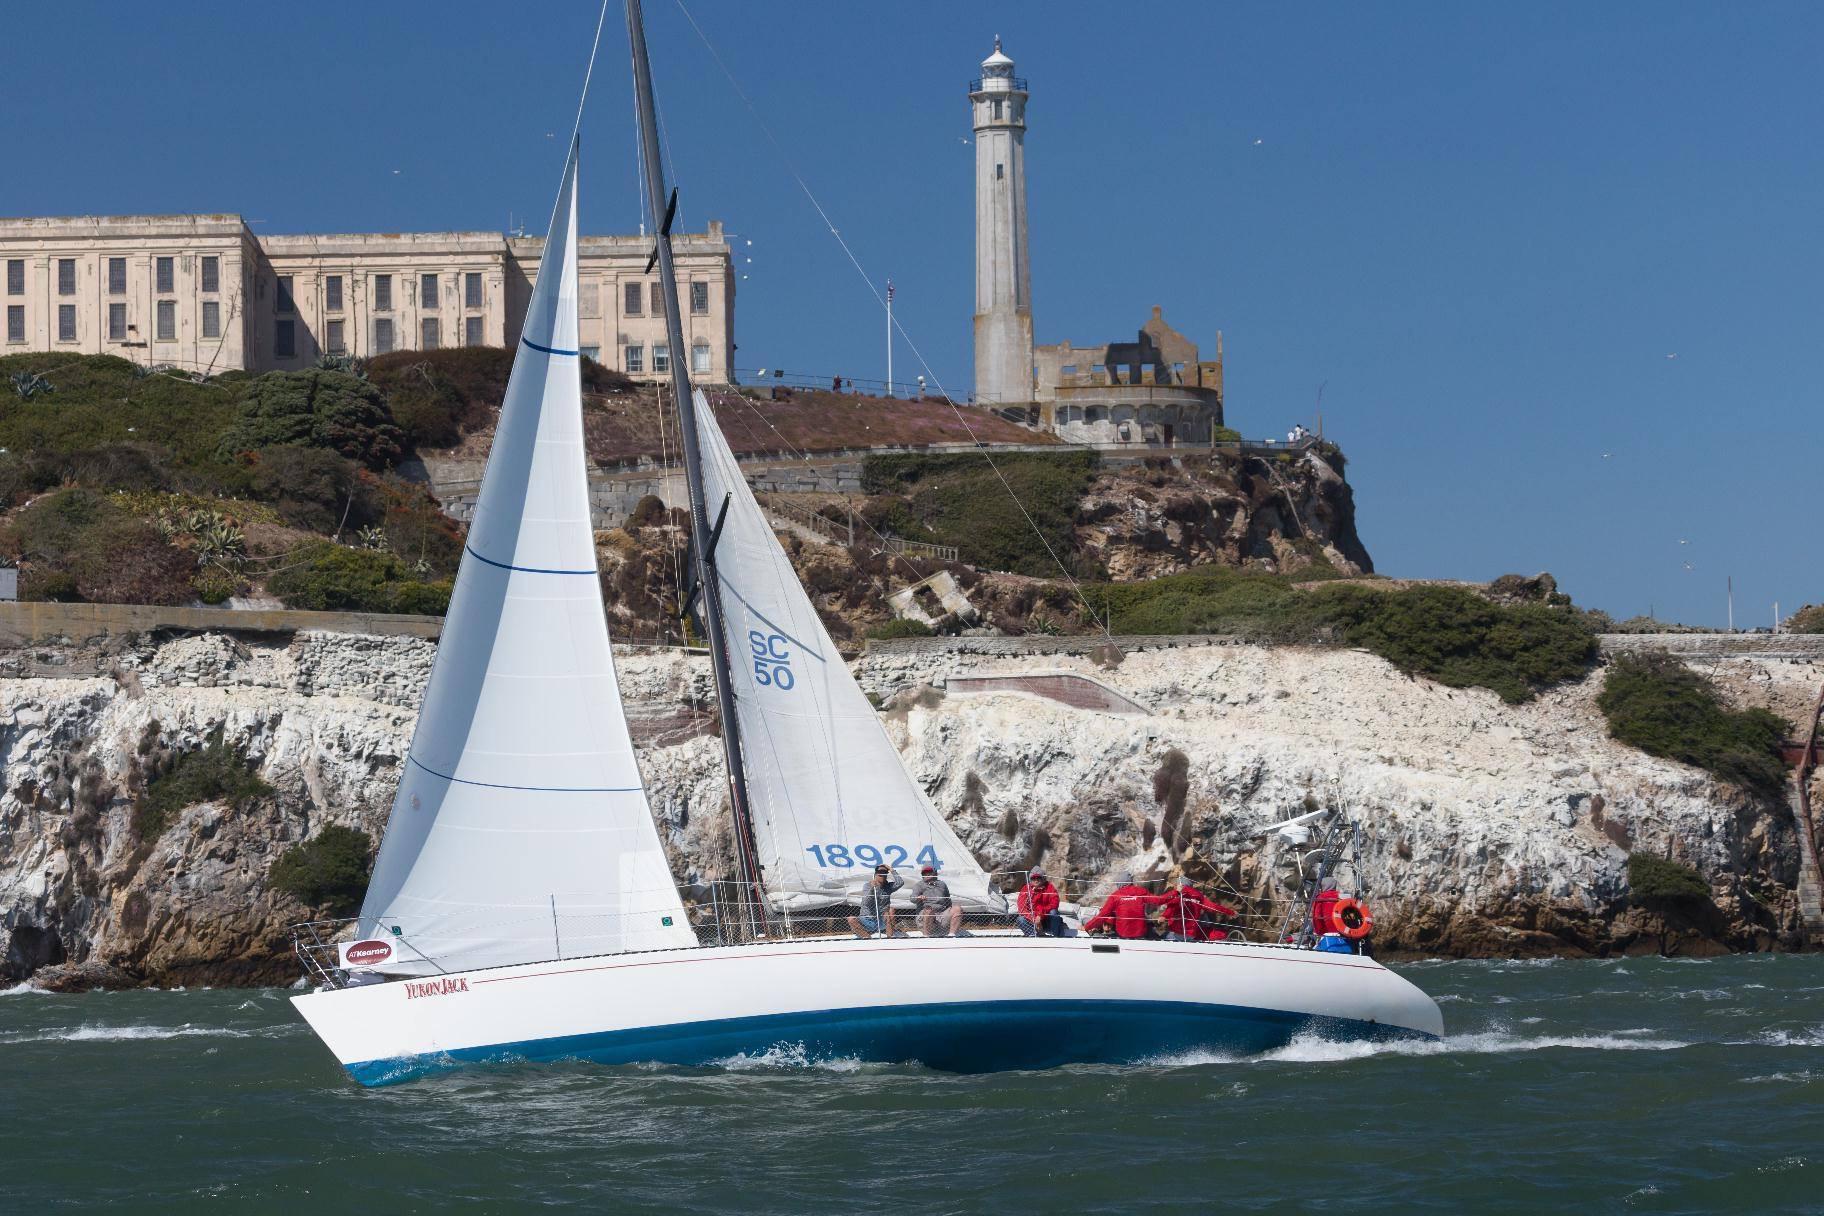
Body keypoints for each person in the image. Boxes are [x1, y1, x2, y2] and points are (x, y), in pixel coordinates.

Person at [1084, 871, 1170, 939]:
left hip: (1123, 934)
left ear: (1120, 883)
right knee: (1150, 928)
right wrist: (1175, 892)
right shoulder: (1141, 891)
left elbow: (1103, 915)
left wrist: (1087, 927)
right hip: (1140, 932)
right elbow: (1159, 900)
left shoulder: (1115, 896)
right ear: (1130, 881)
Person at [1158, 877, 1237, 941]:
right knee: (1203, 924)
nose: (1174, 887)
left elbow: (1171, 906)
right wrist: (1230, 912)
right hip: (1191, 935)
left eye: (1175, 885)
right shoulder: (1199, 896)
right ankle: (1223, 935)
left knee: (1160, 937)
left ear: (1178, 885)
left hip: (1176, 934)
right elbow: (1214, 907)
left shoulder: (1177, 893)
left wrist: (1164, 916)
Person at [909, 864, 967, 937]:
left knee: (957, 908)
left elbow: (948, 900)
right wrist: (919, 897)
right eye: (925, 873)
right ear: (922, 874)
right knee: (929, 909)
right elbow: (912, 899)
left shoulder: (942, 884)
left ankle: (951, 935)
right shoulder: (919, 885)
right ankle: (926, 936)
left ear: (935, 873)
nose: (927, 874)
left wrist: (949, 910)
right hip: (926, 915)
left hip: (942, 915)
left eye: (930, 872)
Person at [848, 864, 903, 938]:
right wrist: (872, 889)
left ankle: (890, 938)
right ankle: (867, 939)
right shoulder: (867, 885)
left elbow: (900, 882)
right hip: (867, 919)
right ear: (875, 874)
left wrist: (891, 869)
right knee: (851, 919)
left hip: (882, 919)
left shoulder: (888, 887)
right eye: (880, 873)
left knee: (891, 910)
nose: (882, 875)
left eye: (884, 873)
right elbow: (866, 902)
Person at [1016, 868, 1074, 936]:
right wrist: (1034, 919)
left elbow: (1054, 904)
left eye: (1039, 878)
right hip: (1033, 921)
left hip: (1047, 919)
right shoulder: (1026, 888)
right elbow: (1022, 908)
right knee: (1020, 919)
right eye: (1033, 878)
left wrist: (1040, 915)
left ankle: (1057, 936)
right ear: (1030, 879)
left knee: (1053, 912)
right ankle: (1035, 936)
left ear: (1043, 879)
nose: (1036, 880)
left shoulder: (1050, 887)